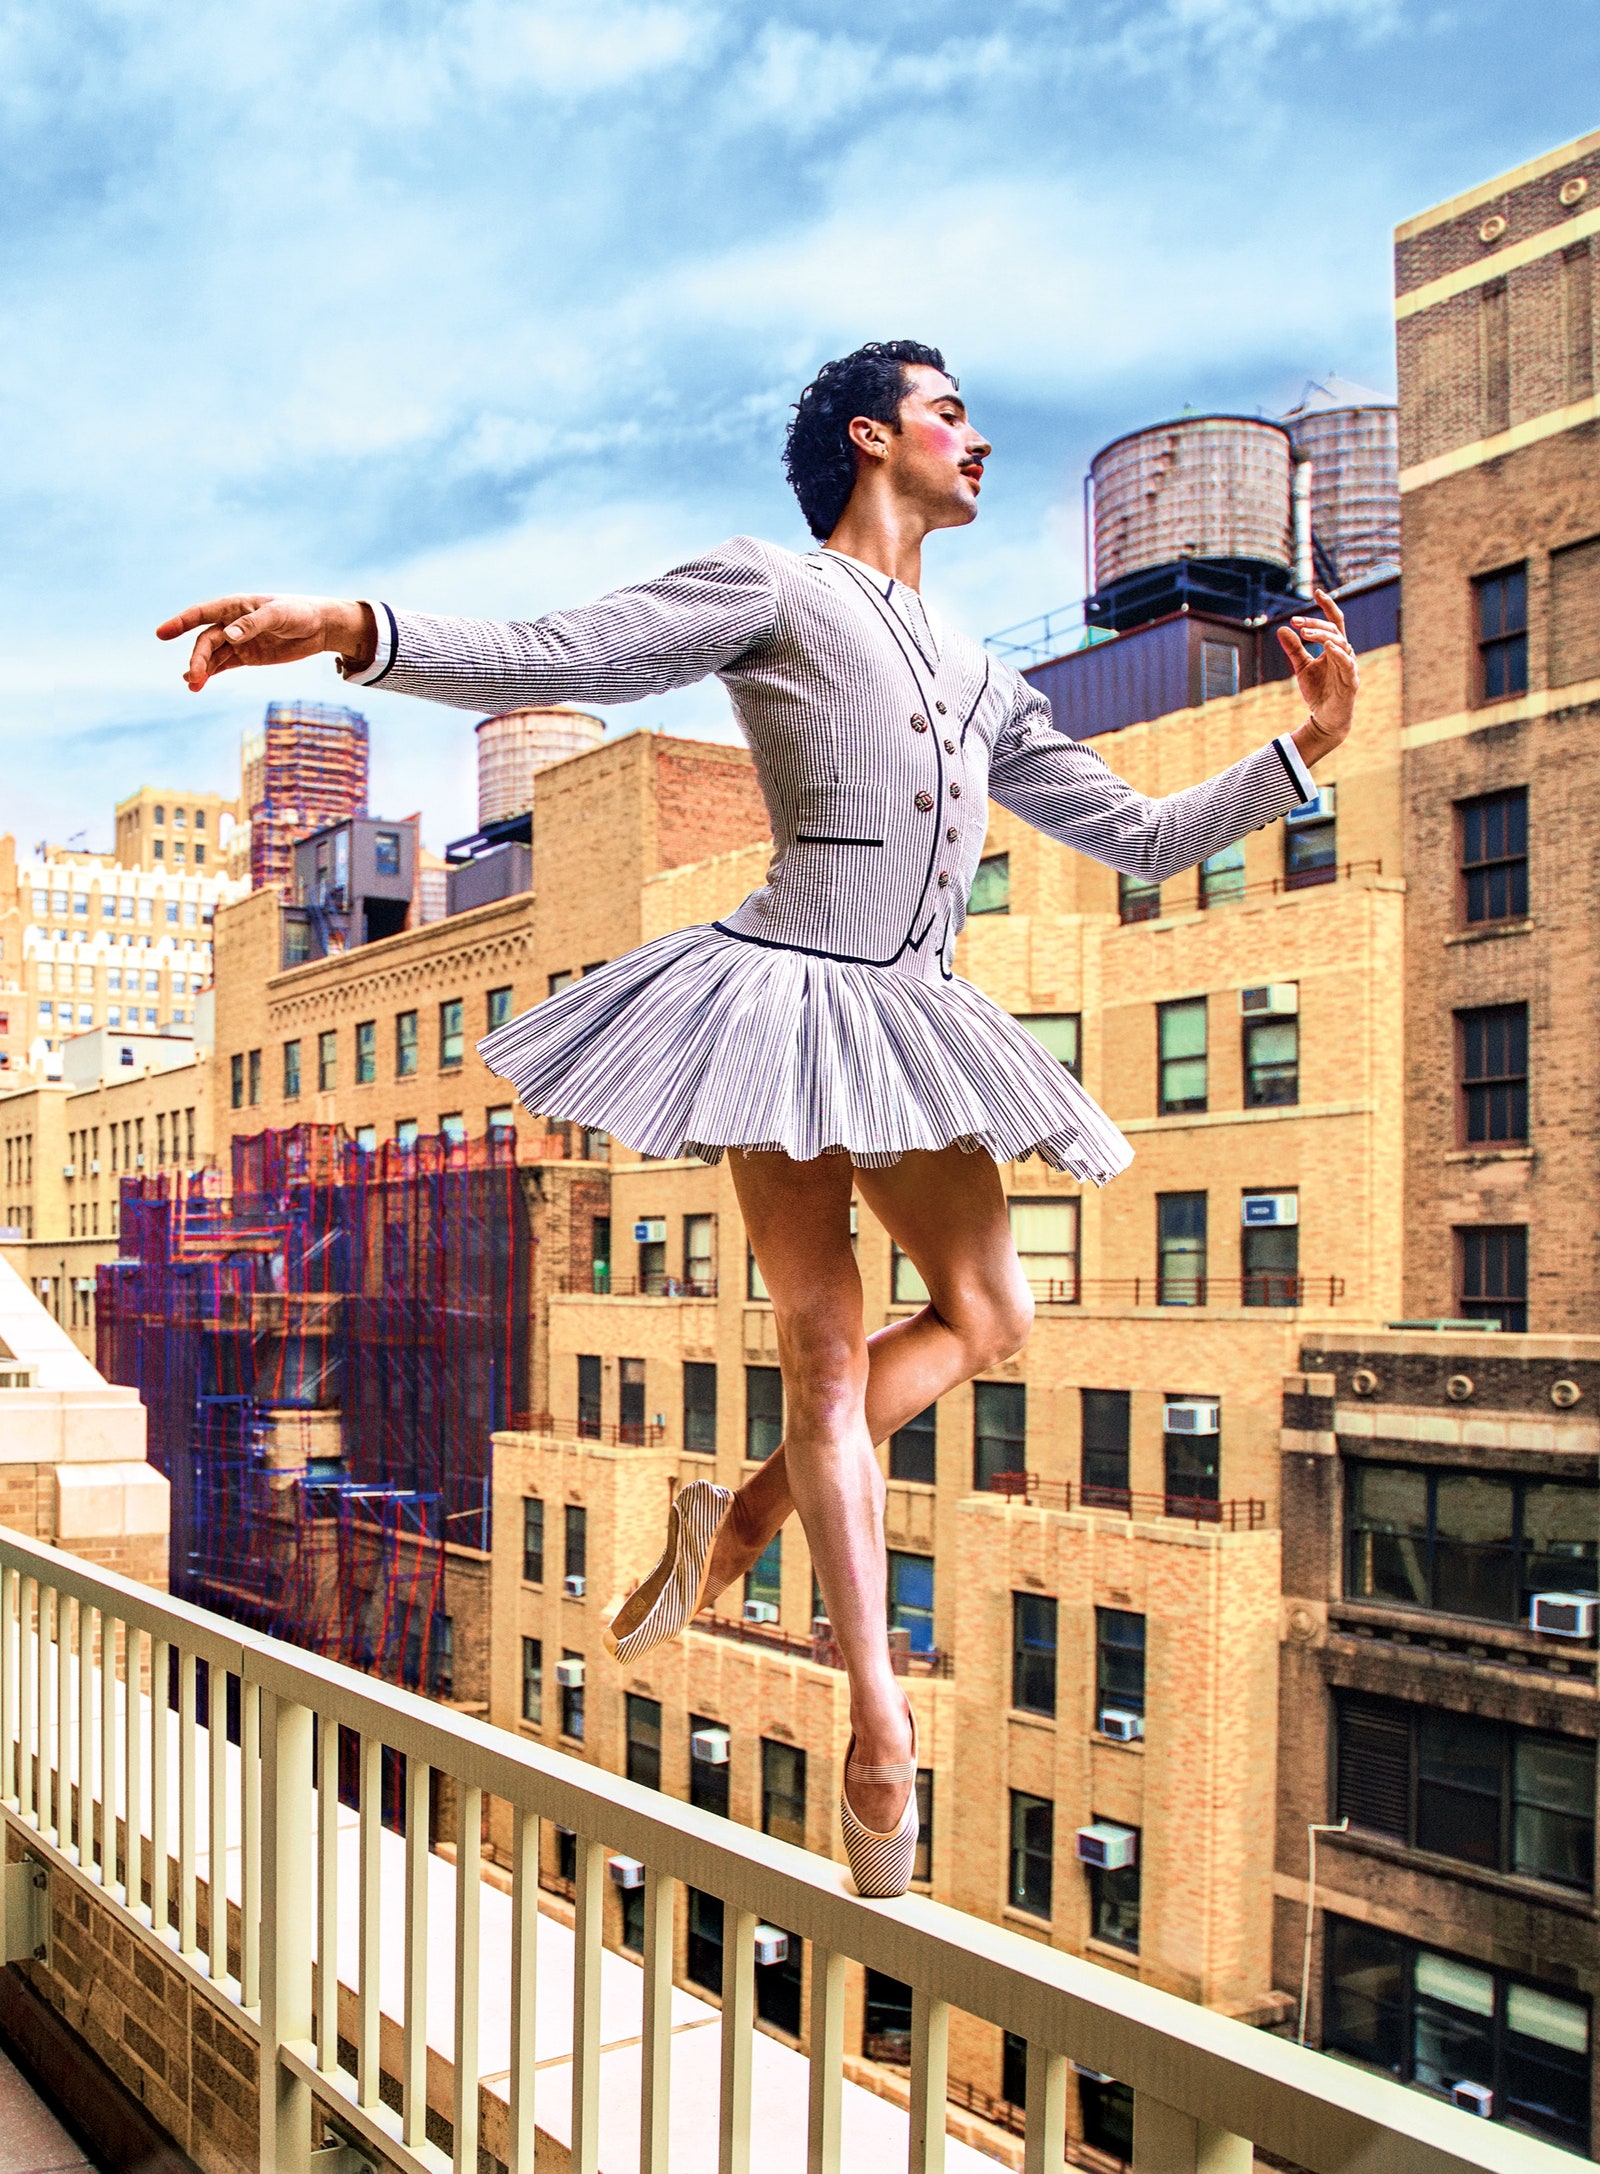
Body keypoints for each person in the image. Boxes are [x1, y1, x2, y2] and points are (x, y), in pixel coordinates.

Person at [159, 339, 1359, 1897]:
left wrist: (1302, 748)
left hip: (911, 1015)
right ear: (874, 439)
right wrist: (358, 625)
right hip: (782, 998)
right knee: (828, 1343)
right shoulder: (773, 588)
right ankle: (880, 1727)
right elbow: (565, 653)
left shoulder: (989, 676)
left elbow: (1136, 836)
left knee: (994, 1312)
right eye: (949, 413)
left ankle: (734, 1515)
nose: (978, 439)